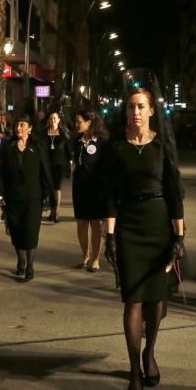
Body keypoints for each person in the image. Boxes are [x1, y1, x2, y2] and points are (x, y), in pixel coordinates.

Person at [103, 87, 185, 390]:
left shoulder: (163, 148)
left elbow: (175, 194)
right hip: (129, 228)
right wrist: (109, 236)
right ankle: (135, 372)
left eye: (141, 107)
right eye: (131, 107)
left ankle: (150, 351)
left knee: (156, 299)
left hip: (158, 225)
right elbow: (109, 193)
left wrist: (179, 238)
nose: (135, 112)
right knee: (132, 300)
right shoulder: (117, 149)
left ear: (151, 111)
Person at [0, 115, 55, 281]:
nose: (19, 128)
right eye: (17, 125)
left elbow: (45, 171)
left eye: (23, 125)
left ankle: (30, 266)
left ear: (30, 128)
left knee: (31, 231)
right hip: (13, 197)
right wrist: (1, 193)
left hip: (33, 197)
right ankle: (21, 262)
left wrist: (47, 194)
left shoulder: (37, 147)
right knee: (16, 230)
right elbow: (1, 172)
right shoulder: (8, 147)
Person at [72, 109, 109, 271]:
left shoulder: (101, 142)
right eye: (76, 121)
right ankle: (85, 255)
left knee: (95, 224)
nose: (76, 124)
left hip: (96, 188)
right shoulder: (77, 141)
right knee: (81, 223)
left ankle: (95, 259)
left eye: (79, 121)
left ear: (89, 123)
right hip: (79, 187)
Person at [41, 110, 71, 223]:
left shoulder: (64, 133)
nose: (53, 120)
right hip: (47, 164)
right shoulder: (44, 133)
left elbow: (68, 151)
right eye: (51, 118)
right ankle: (51, 210)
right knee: (49, 187)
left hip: (59, 164)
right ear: (48, 121)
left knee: (56, 188)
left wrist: (69, 162)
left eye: (55, 118)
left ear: (58, 120)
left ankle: (56, 211)